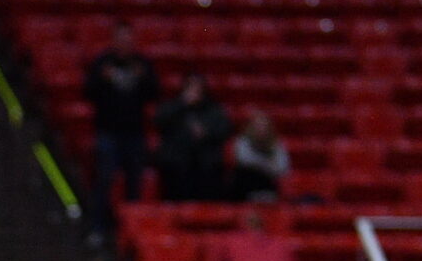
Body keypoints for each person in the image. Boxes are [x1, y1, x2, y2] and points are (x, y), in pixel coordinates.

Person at [83, 22, 161, 232]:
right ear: (114, 40)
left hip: (134, 133)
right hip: (108, 132)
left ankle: (130, 231)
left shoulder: (142, 64)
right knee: (104, 180)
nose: (125, 43)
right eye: (121, 38)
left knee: (134, 184)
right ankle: (98, 228)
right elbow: (88, 92)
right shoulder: (102, 63)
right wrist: (102, 79)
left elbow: (154, 93)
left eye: (128, 39)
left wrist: (143, 78)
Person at [155, 73, 233, 202]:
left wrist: (206, 133)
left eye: (198, 87)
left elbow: (225, 130)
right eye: (191, 86)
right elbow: (159, 122)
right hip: (177, 166)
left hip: (206, 167)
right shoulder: (172, 106)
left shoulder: (214, 109)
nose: (194, 90)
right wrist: (182, 104)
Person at [224, 114, 291, 202]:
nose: (261, 129)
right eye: (258, 126)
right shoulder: (241, 142)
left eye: (264, 126)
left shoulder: (276, 145)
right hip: (243, 188)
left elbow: (282, 168)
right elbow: (243, 160)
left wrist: (261, 166)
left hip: (268, 187)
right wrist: (267, 165)